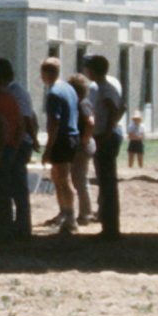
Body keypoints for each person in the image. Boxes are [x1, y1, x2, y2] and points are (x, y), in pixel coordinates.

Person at [0, 56, 38, 240]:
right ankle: (12, 229)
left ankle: (4, 230)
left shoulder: (3, 98)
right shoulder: (11, 97)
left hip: (2, 149)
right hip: (12, 146)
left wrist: (3, 147)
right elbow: (21, 122)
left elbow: (4, 124)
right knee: (6, 188)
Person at [83, 54, 125, 239]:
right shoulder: (105, 87)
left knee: (107, 183)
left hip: (105, 137)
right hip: (106, 135)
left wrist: (108, 131)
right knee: (106, 182)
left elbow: (114, 109)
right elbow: (122, 107)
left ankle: (111, 228)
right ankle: (109, 225)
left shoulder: (105, 88)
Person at [39, 58, 80, 233]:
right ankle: (64, 213)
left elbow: (53, 122)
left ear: (45, 73)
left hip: (62, 138)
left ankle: (71, 218)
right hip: (72, 136)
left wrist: (48, 148)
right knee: (57, 177)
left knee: (63, 178)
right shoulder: (69, 88)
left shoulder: (54, 93)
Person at [67, 70, 98, 227]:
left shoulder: (82, 103)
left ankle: (85, 213)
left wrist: (84, 141)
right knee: (79, 179)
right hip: (82, 144)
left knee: (80, 180)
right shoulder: (80, 102)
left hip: (83, 146)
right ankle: (85, 212)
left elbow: (90, 122)